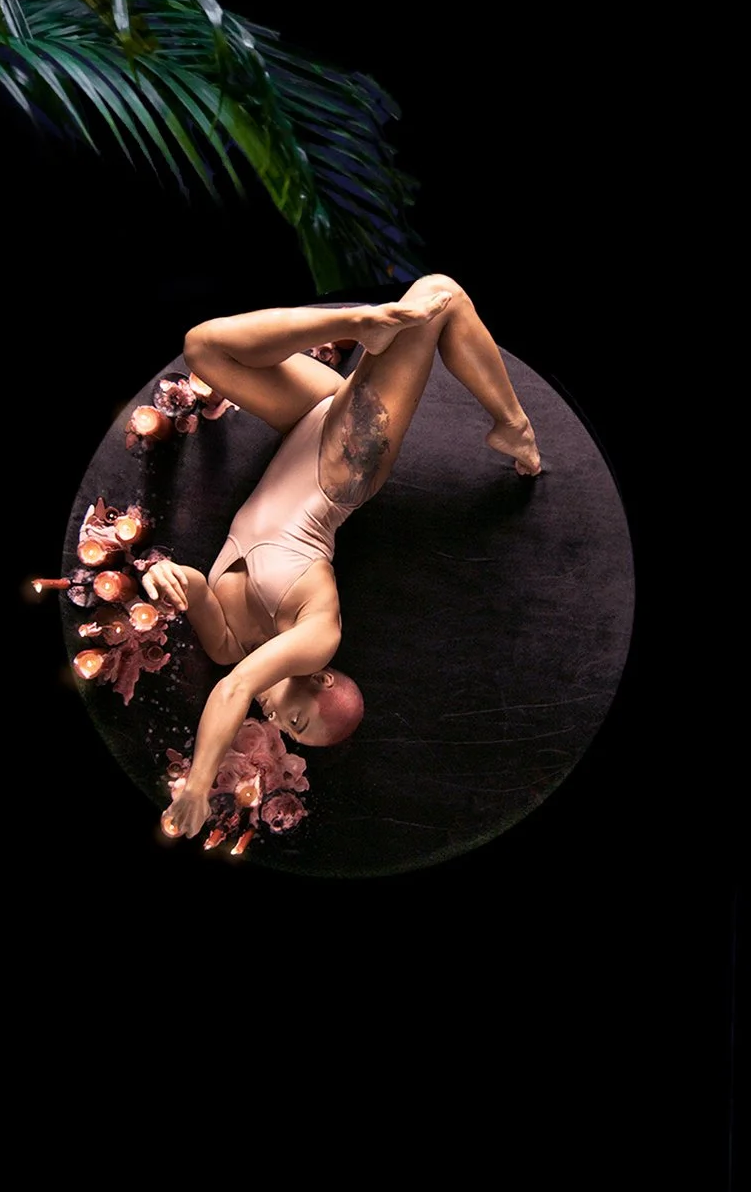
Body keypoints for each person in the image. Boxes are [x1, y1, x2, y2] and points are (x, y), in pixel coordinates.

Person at [144, 274, 541, 844]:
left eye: (286, 732)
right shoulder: (317, 634)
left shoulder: (228, 647)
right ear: (323, 678)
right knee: (440, 294)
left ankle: (359, 324)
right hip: (341, 469)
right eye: (297, 721)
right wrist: (198, 788)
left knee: (201, 348)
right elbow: (233, 692)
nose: (276, 722)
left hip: (304, 427)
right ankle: (512, 428)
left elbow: (194, 590)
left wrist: (167, 576)